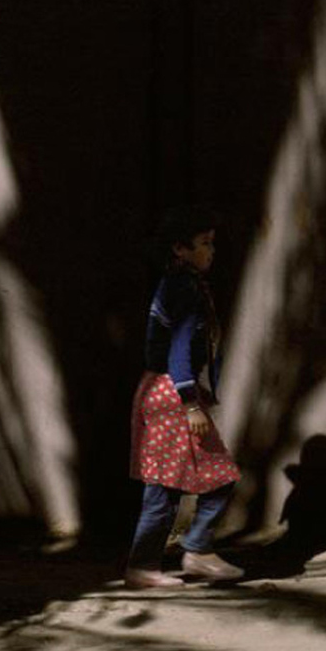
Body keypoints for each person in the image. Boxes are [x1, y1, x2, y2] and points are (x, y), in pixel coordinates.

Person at [123, 206, 244, 589]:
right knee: (181, 483)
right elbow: (178, 349)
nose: (212, 251)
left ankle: (178, 555)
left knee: (171, 484)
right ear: (180, 249)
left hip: (162, 390)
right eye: (204, 244)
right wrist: (190, 401)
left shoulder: (179, 283)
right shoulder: (185, 289)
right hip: (170, 396)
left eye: (212, 243)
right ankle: (186, 552)